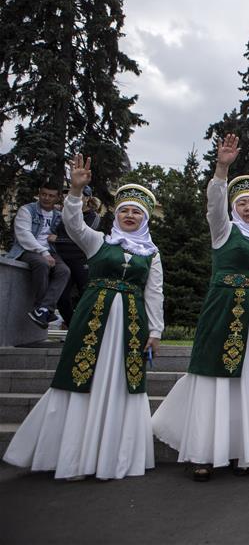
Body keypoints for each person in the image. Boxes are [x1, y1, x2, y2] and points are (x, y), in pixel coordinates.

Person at [3, 154, 163, 479]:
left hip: (131, 324)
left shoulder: (152, 253)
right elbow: (73, 224)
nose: (130, 215)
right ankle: (74, 457)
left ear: (144, 219)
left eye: (136, 212)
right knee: (80, 378)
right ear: (116, 215)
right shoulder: (98, 241)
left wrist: (156, 331)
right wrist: (75, 191)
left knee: (122, 383)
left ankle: (114, 456)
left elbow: (154, 292)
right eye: (125, 210)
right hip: (94, 318)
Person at [152, 135, 249, 481]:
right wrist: (222, 168)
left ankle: (244, 451)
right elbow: (214, 205)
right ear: (233, 208)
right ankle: (203, 453)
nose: (248, 208)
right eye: (241, 203)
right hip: (224, 311)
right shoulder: (223, 232)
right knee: (215, 379)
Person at [5, 182, 70, 328]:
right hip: (28, 250)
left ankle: (44, 309)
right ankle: (42, 307)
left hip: (51, 251)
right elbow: (24, 235)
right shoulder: (27, 210)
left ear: (58, 198)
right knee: (42, 263)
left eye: (51, 196)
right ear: (39, 194)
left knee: (64, 271)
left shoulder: (58, 215)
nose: (46, 198)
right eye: (44, 194)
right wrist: (43, 252)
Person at [54, 185, 102, 327]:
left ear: (87, 198)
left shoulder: (93, 216)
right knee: (61, 297)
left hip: (81, 260)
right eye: (69, 195)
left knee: (86, 295)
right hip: (63, 259)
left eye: (78, 195)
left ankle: (88, 327)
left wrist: (57, 239)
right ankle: (72, 325)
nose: (71, 197)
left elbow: (81, 237)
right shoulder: (63, 214)